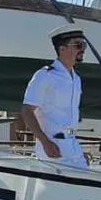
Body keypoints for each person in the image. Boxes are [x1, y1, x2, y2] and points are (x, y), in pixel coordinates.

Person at [22, 23, 88, 168]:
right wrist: (45, 142)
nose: (82, 49)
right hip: (52, 146)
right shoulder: (45, 76)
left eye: (83, 45)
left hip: (73, 145)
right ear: (62, 49)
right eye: (78, 45)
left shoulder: (76, 79)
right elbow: (27, 110)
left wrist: (77, 150)